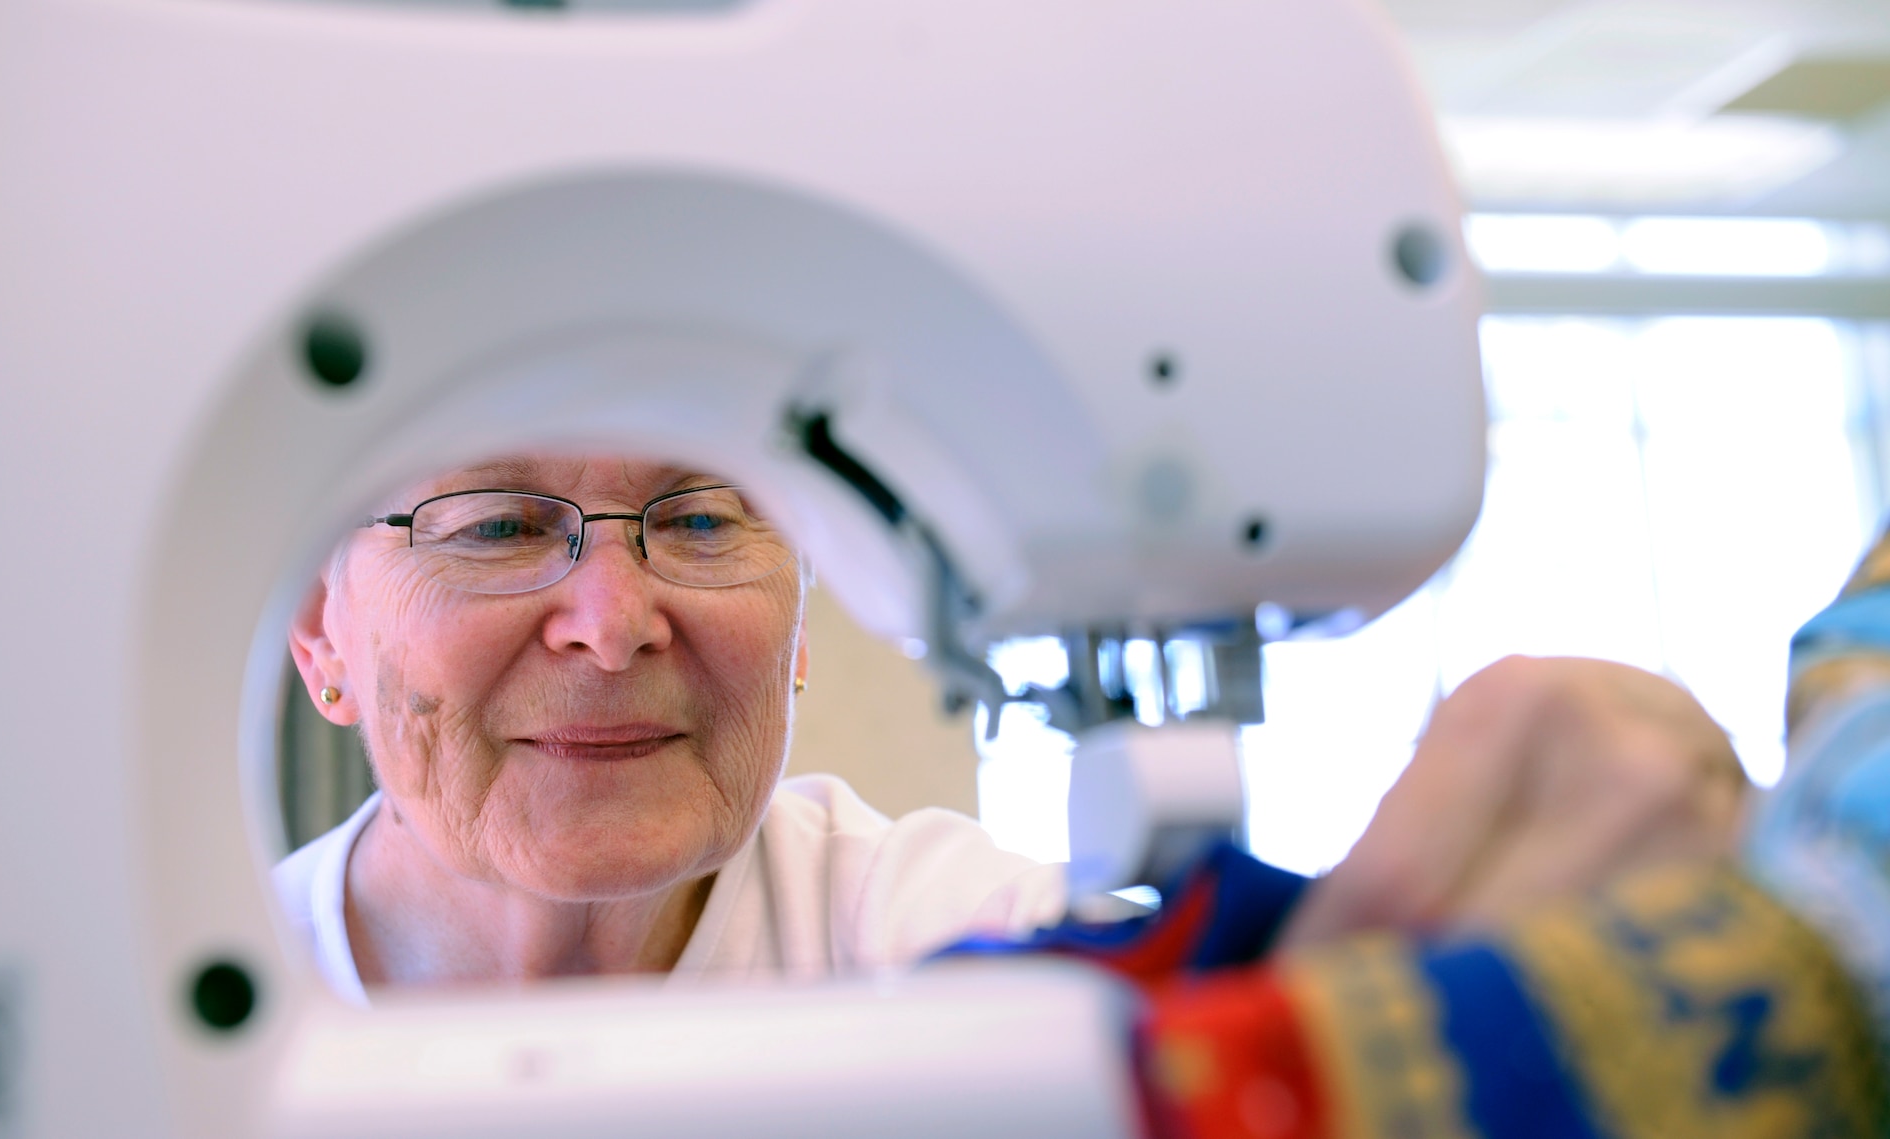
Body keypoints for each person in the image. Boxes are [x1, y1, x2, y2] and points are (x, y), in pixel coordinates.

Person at [276, 450, 1750, 1001]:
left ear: (798, 634)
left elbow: (1182, 1019)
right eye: (497, 526)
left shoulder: (918, 923)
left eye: (700, 517)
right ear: (320, 644)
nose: (614, 615)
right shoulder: (168, 1022)